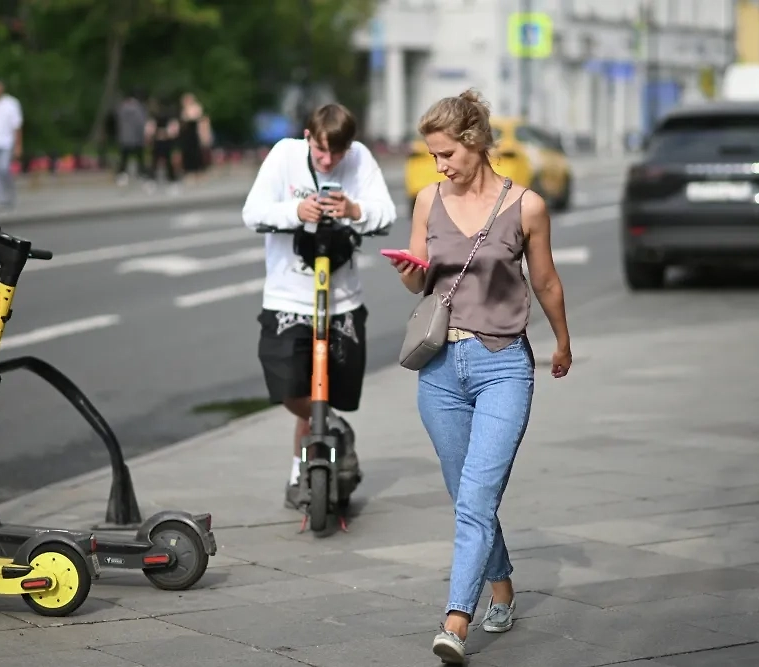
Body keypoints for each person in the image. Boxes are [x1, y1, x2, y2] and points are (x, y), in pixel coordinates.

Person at [387, 88, 571, 664]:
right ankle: (502, 587)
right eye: (433, 155)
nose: (438, 165)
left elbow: (545, 282)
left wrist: (563, 339)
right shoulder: (426, 200)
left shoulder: (527, 206)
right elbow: (418, 284)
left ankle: (455, 621)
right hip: (440, 369)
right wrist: (409, 272)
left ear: (475, 143)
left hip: (502, 366)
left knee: (475, 498)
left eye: (446, 154)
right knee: (467, 496)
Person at [242, 103, 397, 509]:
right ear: (308, 137)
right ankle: (334, 430)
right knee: (292, 387)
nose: (329, 161)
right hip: (287, 297)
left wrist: (354, 209)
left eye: (338, 153)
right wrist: (296, 210)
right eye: (321, 151)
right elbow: (252, 212)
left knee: (330, 390)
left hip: (342, 300)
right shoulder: (284, 155)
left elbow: (387, 213)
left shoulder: (360, 158)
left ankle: (301, 470)